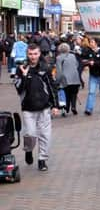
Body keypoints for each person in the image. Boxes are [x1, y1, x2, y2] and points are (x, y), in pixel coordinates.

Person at [14, 44, 60, 172]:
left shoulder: (45, 67)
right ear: (27, 54)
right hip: (28, 108)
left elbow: (52, 87)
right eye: (30, 54)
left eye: (35, 54)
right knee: (30, 134)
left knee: (45, 135)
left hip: (44, 107)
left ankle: (42, 159)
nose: (33, 57)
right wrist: (24, 76)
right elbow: (19, 89)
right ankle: (28, 150)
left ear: (39, 54)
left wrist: (55, 105)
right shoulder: (21, 68)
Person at [81, 36, 100, 116]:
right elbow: (83, 60)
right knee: (91, 92)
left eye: (92, 42)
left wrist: (94, 63)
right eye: (90, 42)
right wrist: (87, 62)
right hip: (93, 75)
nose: (91, 43)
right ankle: (88, 109)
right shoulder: (88, 51)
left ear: (96, 43)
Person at [55, 43, 81, 115]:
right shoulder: (73, 56)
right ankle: (73, 107)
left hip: (65, 79)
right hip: (75, 78)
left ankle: (66, 108)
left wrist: (57, 81)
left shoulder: (59, 58)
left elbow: (59, 71)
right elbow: (77, 65)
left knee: (66, 94)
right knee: (74, 93)